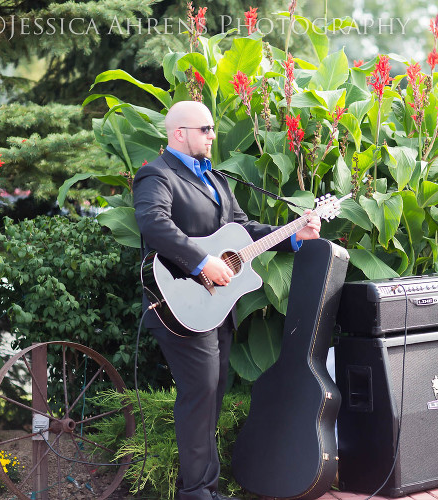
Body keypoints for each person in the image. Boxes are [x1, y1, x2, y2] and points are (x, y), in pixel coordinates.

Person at [133, 100, 321, 500]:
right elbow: (154, 224)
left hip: (217, 307)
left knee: (212, 396)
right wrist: (202, 261)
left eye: (213, 128)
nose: (213, 135)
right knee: (200, 396)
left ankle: (205, 488)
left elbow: (242, 230)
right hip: (181, 300)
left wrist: (291, 235)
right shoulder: (156, 175)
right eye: (206, 129)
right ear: (178, 133)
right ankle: (196, 493)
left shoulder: (216, 178)